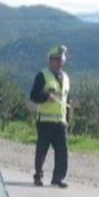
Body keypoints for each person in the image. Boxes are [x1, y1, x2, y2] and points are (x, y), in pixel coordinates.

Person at [29, 45, 70, 188]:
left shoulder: (66, 78)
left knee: (62, 151)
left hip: (61, 121)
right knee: (42, 150)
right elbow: (34, 95)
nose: (60, 63)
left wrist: (68, 119)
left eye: (61, 60)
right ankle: (38, 176)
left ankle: (58, 178)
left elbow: (67, 99)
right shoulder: (42, 75)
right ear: (51, 60)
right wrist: (46, 96)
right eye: (57, 60)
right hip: (45, 120)